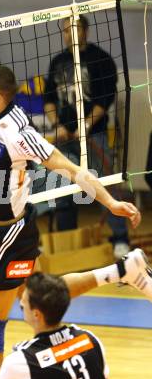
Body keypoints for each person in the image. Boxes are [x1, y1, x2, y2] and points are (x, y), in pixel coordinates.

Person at [0, 64, 151, 379]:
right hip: (2, 230)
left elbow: (70, 168)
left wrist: (111, 203)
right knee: (42, 295)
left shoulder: (18, 133)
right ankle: (123, 269)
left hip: (9, 238)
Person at [43, 15, 130, 259]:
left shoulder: (101, 59)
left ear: (85, 31)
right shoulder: (58, 61)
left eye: (74, 28)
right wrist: (56, 125)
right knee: (60, 190)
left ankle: (120, 240)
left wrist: (87, 125)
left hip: (95, 135)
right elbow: (49, 98)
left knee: (107, 187)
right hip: (65, 138)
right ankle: (68, 246)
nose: (69, 33)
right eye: (65, 29)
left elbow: (105, 97)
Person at [0, 272, 113, 379]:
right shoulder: (90, 339)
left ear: (36, 314)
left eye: (24, 301)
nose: (21, 303)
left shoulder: (21, 362)